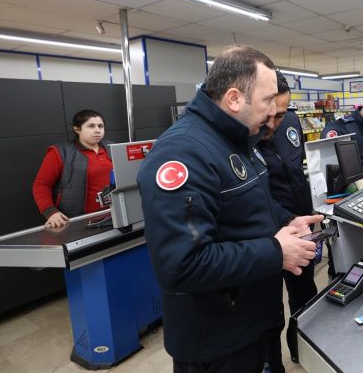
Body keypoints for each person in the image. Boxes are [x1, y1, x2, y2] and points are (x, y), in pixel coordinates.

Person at [137, 46, 323, 373]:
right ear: (234, 99)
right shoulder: (184, 153)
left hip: (254, 322)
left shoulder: (240, 141)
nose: (273, 113)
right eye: (268, 101)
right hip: (217, 341)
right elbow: (181, 266)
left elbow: (252, 206)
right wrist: (276, 252)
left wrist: (289, 222)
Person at [257, 72, 318, 370]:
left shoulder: (291, 122)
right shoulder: (246, 134)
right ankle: (273, 365)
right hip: (265, 238)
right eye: (272, 114)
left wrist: (307, 216)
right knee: (268, 312)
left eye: (281, 113)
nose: (275, 123)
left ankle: (301, 351)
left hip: (299, 228)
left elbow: (298, 173)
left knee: (305, 296)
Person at [32, 109, 113, 228]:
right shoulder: (60, 152)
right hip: (80, 221)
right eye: (91, 126)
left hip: (113, 216)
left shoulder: (112, 147)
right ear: (77, 129)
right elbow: (41, 184)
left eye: (100, 126)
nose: (97, 130)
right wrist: (50, 212)